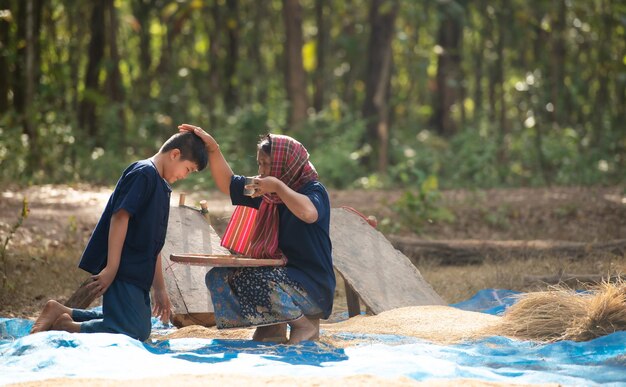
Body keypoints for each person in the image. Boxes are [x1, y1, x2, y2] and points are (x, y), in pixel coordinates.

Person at [30, 131, 209, 341]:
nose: (184, 176)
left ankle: (63, 312)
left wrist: (159, 287)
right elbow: (120, 217)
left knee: (141, 328)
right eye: (187, 169)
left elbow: (155, 243)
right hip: (123, 268)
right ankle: (70, 326)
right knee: (132, 331)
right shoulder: (143, 173)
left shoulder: (162, 187)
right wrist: (111, 268)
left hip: (139, 273)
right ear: (174, 154)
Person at [178, 123, 335, 344]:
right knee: (219, 277)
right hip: (280, 278)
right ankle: (272, 326)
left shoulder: (312, 189)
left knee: (256, 279)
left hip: (312, 286)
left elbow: (308, 213)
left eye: (267, 165)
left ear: (285, 164)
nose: (261, 171)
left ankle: (305, 327)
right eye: (259, 163)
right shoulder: (265, 191)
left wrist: (278, 187)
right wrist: (213, 149)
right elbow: (228, 184)